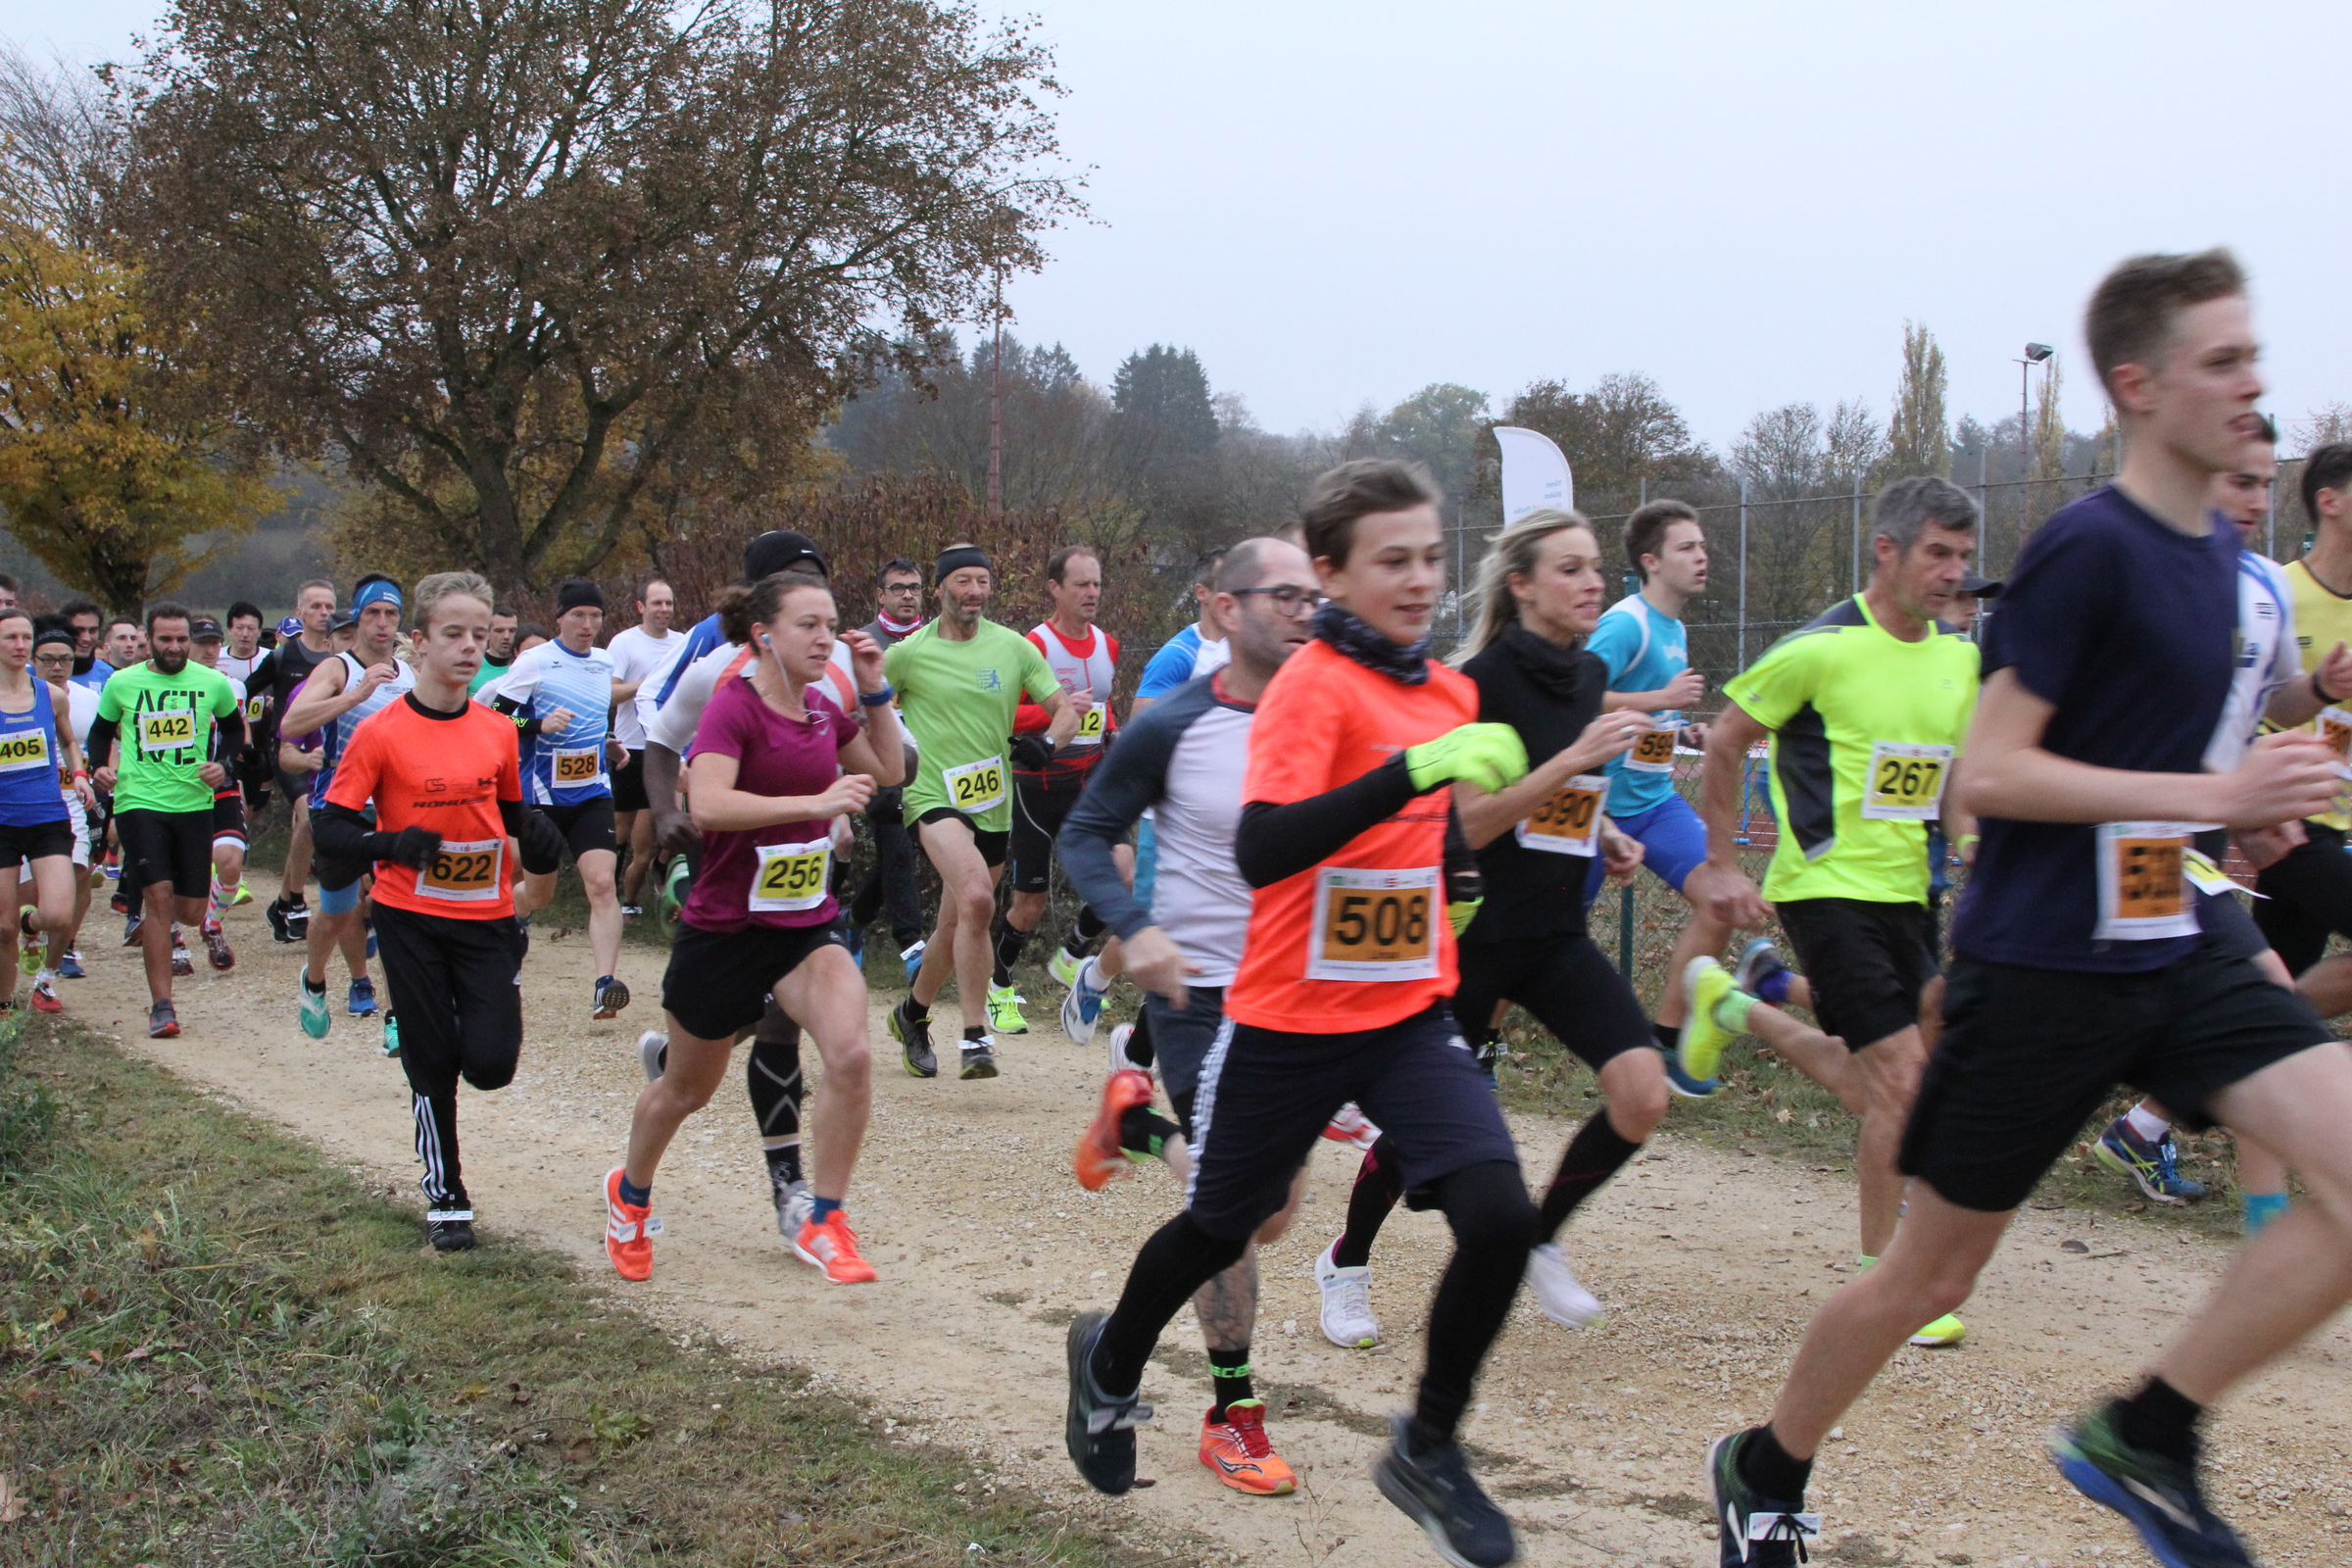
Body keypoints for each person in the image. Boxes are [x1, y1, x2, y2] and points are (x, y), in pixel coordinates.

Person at [1701, 249, 2352, 1568]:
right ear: (2139, 384)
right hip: (2046, 962)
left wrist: (2260, 785)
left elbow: (2200, 733)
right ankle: (1763, 1466)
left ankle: (2149, 1433)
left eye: (2253, 356)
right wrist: (2218, 790)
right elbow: (1990, 775)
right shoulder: (2088, 550)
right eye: (2223, 360)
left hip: (2179, 932)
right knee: (1931, 1277)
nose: (2252, 384)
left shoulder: (2230, 574)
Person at [1064, 460, 1537, 1568]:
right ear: (1332, 574)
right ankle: (1111, 1359)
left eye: (1432, 558)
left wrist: (1463, 871)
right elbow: (1265, 846)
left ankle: (1428, 1446)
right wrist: (1414, 770)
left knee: (1502, 1217)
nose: (1420, 580)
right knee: (1225, 1222)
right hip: (1283, 1019)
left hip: (1406, 1012)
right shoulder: (1307, 688)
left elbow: (1432, 831)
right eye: (1392, 560)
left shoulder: (1447, 691)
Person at [1318, 510, 1659, 1348]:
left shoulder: (1587, 673)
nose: (1593, 584)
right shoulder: (1476, 685)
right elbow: (1468, 822)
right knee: (1420, 1135)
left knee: (1643, 1093)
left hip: (1552, 933)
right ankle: (1346, 1262)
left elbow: (1559, 801)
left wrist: (1607, 830)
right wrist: (1571, 762)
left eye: (1595, 568)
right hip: (1470, 936)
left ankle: (1540, 1236)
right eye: (1570, 569)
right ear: (1523, 586)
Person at [1681, 477, 1984, 1351]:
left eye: (1963, 557)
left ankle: (1737, 1006)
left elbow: (1951, 775)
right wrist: (1723, 864)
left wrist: (1971, 844)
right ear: (1887, 551)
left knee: (1876, 1085)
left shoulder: (1958, 660)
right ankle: (1888, 1279)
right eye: (1937, 554)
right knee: (1904, 1082)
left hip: (1911, 893)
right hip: (1824, 889)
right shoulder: (1819, 649)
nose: (1953, 573)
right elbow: (1726, 739)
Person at [1058, 536, 1319, 1497]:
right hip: (1202, 997)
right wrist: (1133, 926)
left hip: (1301, 1000)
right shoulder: (1176, 718)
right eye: (1284, 595)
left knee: (1273, 1210)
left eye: (1314, 596)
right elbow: (1087, 831)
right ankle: (1230, 1415)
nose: (1305, 611)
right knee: (1239, 1206)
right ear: (1224, 606)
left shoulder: (1335, 714)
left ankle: (1134, 1124)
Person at [603, 570, 901, 1287]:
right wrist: (816, 801)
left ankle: (825, 1217)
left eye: (830, 624)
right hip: (725, 929)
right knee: (685, 1091)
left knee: (852, 1055)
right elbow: (708, 806)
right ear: (764, 635)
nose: (825, 638)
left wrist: (874, 689)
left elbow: (889, 770)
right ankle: (630, 1194)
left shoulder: (823, 709)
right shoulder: (732, 706)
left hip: (803, 925)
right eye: (808, 625)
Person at [2096, 422, 2352, 1226]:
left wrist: (2319, 688)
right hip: (2131, 843)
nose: (2256, 501)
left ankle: (2259, 1214)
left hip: (2200, 846)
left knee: (2264, 1004)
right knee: (2079, 1012)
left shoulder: (2260, 586)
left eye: (2263, 485)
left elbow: (2270, 705)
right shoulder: (2130, 572)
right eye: (2240, 481)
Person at [314, 570, 565, 1251]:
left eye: (478, 635)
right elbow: (332, 831)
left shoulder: (498, 731)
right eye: (453, 634)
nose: (469, 647)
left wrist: (541, 839)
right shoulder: (380, 733)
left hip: (486, 915)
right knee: (431, 1060)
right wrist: (391, 843)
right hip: (410, 915)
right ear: (418, 643)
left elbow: (511, 814)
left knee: (490, 1064)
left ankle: (451, 1025)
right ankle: (446, 1193)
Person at [636, 543, 862, 1241]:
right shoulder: (715, 668)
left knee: (793, 1026)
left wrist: (878, 717)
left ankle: (794, 1190)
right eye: (801, 604)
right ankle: (681, 1066)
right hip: (731, 874)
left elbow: (896, 760)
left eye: (823, 601)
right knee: (705, 1069)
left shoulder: (838, 668)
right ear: (762, 609)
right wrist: (666, 814)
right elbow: (659, 738)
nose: (821, 628)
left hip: (806, 884)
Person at [884, 545, 1076, 1081]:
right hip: (931, 796)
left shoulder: (1013, 648)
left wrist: (1047, 745)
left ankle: (912, 1014)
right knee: (977, 898)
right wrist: (882, 765)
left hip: (991, 804)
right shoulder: (908, 654)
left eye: (983, 581)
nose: (974, 591)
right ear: (940, 588)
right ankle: (975, 1036)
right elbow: (863, 709)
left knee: (956, 925)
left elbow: (1064, 711)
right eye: (963, 581)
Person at [1579, 499, 1730, 1098]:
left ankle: (1666, 1041)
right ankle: (1478, 1046)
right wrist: (1661, 698)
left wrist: (1680, 728)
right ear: (1651, 561)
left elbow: (1649, 713)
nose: (1702, 556)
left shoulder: (1675, 627)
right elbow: (1577, 695)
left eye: (1702, 546)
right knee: (1543, 937)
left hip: (1654, 801)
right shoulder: (1627, 624)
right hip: (1596, 808)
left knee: (1719, 898)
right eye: (1687, 547)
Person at [84, 603, 244, 1039]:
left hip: (193, 804)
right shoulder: (123, 683)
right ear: (148, 640)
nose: (174, 647)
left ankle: (159, 913)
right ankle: (163, 1007)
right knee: (159, 899)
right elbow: (99, 732)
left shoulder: (212, 683)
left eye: (181, 639)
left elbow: (235, 731)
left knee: (190, 911)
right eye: (165, 639)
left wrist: (223, 765)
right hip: (139, 802)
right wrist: (99, 766)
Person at [483, 578, 631, 1017]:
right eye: (579, 616)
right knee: (539, 894)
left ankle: (604, 985)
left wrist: (607, 743)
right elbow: (494, 717)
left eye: (595, 616)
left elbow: (589, 718)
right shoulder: (536, 661)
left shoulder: (603, 663)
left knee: (602, 883)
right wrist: (537, 725)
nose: (588, 625)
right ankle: (514, 913)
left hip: (592, 793)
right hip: (541, 800)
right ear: (560, 618)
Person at [996, 546, 1121, 1035]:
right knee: (1030, 905)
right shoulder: (1036, 645)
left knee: (1122, 872)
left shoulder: (1108, 645)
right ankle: (999, 986)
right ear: (1054, 588)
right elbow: (1005, 715)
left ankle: (1071, 957)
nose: (1092, 593)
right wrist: (1058, 709)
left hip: (1089, 782)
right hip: (1038, 787)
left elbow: (1103, 705)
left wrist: (1112, 730)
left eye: (1097, 584)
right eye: (1081, 584)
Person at [0, 612, 91, 1014]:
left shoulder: (51, 696)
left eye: (26, 637)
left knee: (57, 915)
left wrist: (80, 775)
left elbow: (69, 742)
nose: (20, 645)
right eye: (10, 638)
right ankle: (4, 1007)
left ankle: (29, 924)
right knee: (1, 928)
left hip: (47, 816)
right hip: (2, 821)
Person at [844, 558, 929, 976]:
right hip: (879, 762)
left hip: (930, 762)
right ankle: (912, 946)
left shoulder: (936, 640)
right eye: (898, 588)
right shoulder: (863, 644)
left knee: (905, 850)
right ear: (880, 595)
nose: (907, 595)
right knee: (896, 847)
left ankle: (852, 921)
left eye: (914, 588)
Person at [251, 579, 338, 944]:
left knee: (304, 829)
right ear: (299, 612)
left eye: (329, 607)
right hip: (289, 750)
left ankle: (284, 902)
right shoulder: (283, 656)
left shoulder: (341, 660)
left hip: (327, 754)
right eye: (316, 606)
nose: (323, 614)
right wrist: (244, 734)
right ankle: (298, 901)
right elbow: (245, 691)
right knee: (309, 817)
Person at [27, 622, 97, 996]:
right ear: (33, 660)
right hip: (21, 803)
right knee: (26, 894)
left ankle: (48, 977)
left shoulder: (87, 699)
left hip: (70, 801)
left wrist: (96, 774)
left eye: (66, 660)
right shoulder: (16, 697)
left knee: (76, 876)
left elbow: (105, 741)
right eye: (48, 659)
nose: (57, 667)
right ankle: (27, 931)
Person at [606, 575, 681, 916]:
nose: (664, 609)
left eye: (669, 603)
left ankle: (641, 894)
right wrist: (648, 685)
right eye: (657, 603)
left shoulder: (682, 643)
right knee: (620, 831)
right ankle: (606, 894)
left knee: (659, 829)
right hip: (629, 749)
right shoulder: (624, 643)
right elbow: (609, 693)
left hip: (666, 747)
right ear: (640, 607)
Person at [186, 617, 251, 968]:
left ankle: (211, 924)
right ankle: (173, 936)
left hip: (221, 784)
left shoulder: (233, 687)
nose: (210, 650)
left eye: (214, 643)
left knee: (229, 862)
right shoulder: (168, 685)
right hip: (178, 788)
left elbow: (237, 732)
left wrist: (229, 765)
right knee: (181, 868)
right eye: (202, 643)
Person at [217, 600, 273, 862]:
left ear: (259, 630)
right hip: (226, 737)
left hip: (261, 740)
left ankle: (242, 834)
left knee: (255, 799)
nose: (245, 634)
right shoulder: (217, 658)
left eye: (251, 628)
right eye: (240, 628)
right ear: (230, 629)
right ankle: (233, 840)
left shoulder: (269, 659)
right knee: (233, 791)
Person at [466, 603, 520, 696]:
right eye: (499, 631)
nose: (506, 636)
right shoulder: (470, 666)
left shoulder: (523, 667)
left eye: (512, 631)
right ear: (486, 633)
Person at [60, 600, 109, 693]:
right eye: (79, 630)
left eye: (92, 631)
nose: (86, 638)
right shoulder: (41, 671)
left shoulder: (107, 674)